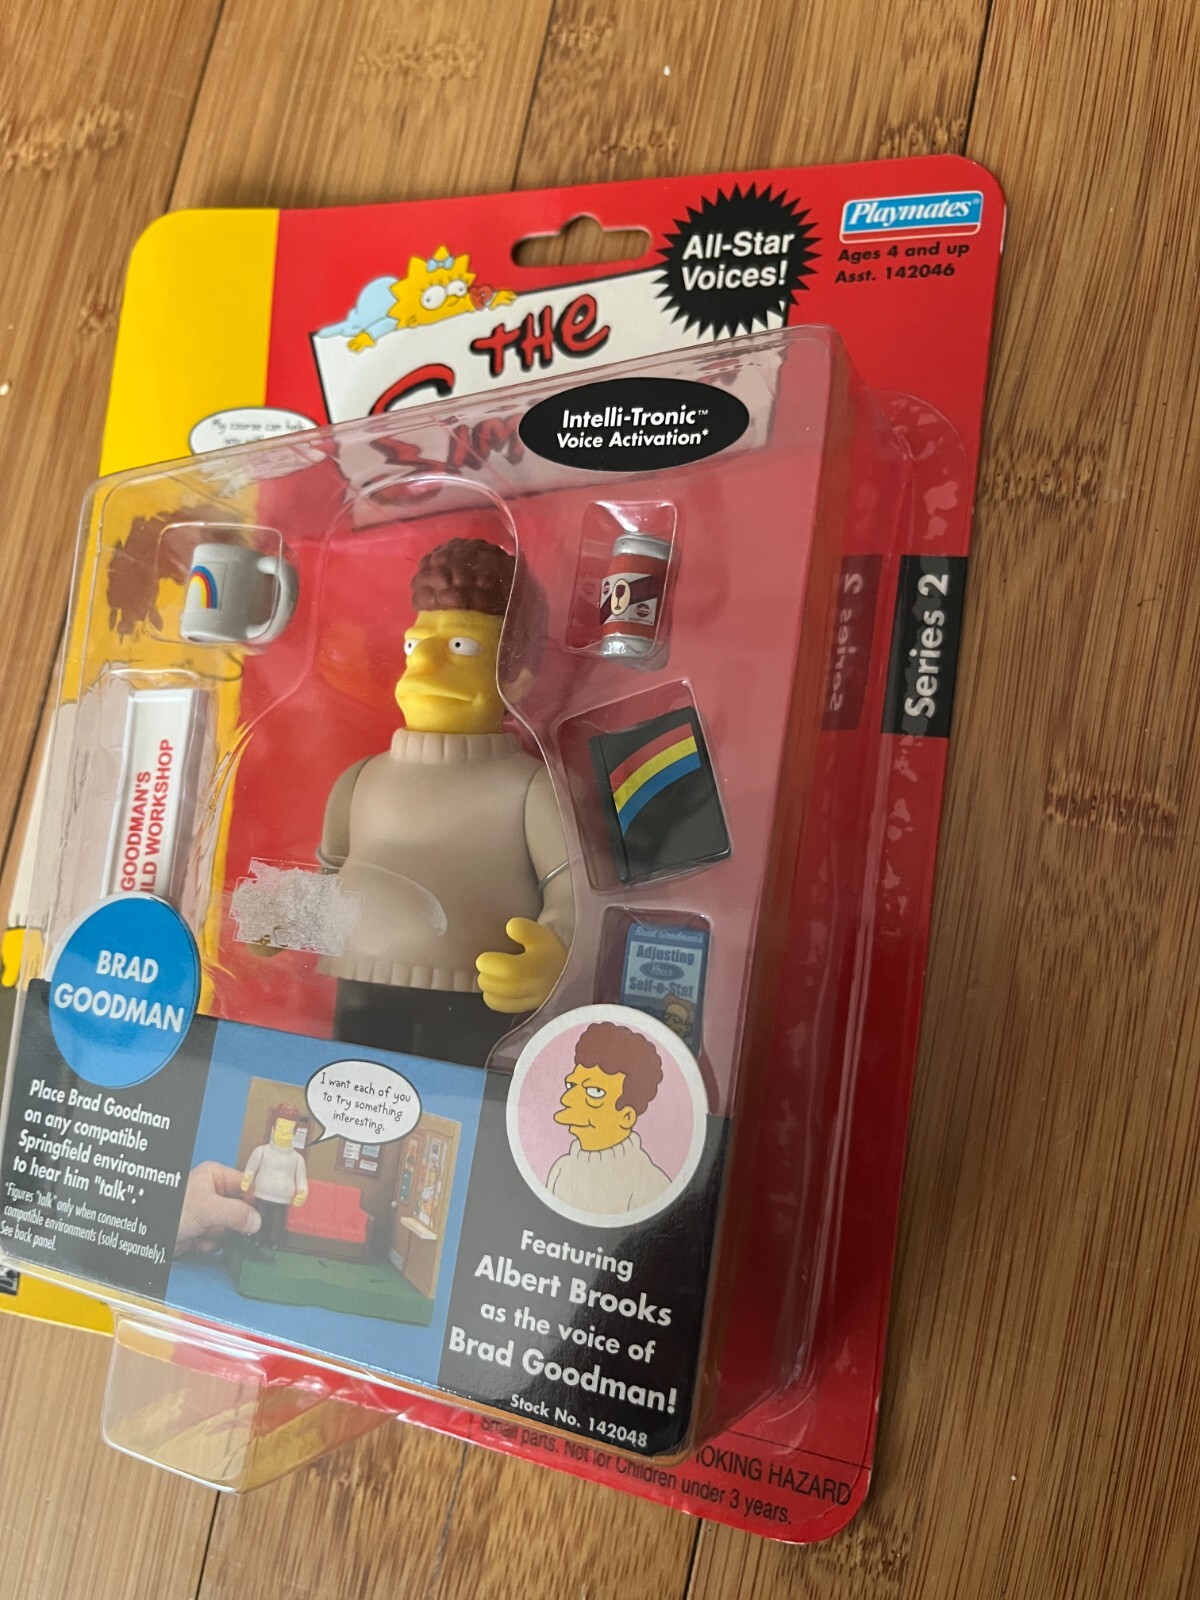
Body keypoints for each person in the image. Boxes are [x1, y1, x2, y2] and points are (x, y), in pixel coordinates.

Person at [319, 538, 573, 1066]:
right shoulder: (360, 779)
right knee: (346, 1088)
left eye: (460, 647)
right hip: (359, 984)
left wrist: (553, 956)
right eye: (415, 645)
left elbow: (572, 891)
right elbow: (327, 874)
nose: (423, 665)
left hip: (473, 994)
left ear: (516, 676)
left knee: (454, 1099)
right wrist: (275, 918)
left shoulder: (529, 789)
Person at [547, 1021, 671, 1216]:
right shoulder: (561, 1170)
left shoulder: (651, 1186)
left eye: (595, 1092)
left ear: (627, 1116)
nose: (567, 1099)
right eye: (571, 1086)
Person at [239, 1105, 309, 1251]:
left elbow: (301, 1179)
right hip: (262, 1195)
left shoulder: (297, 1159)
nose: (284, 1133)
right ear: (273, 1128)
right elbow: (251, 1168)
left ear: (294, 1132)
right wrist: (247, 1179)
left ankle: (273, 1245)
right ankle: (256, 1241)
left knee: (277, 1224)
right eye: (281, 1128)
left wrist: (302, 1192)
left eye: (288, 1130)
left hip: (283, 1199)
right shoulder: (262, 1151)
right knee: (260, 1219)